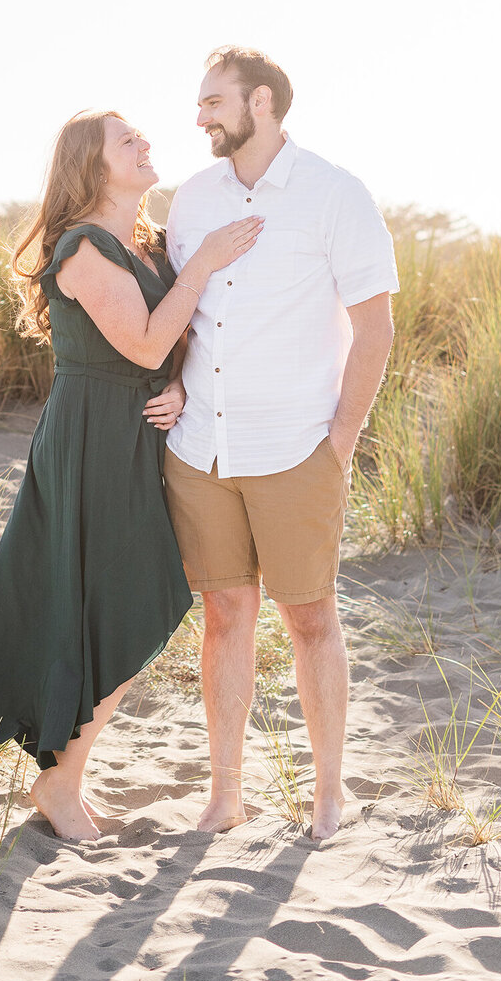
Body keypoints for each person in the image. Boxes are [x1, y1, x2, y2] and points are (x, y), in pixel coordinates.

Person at [0, 109, 262, 842]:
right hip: (93, 439)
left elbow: (173, 344)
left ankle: (61, 778)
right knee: (124, 602)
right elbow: (142, 343)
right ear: (92, 166)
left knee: (125, 601)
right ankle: (60, 783)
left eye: (141, 135)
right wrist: (203, 264)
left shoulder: (148, 242)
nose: (145, 144)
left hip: (140, 432)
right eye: (126, 140)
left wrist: (182, 388)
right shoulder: (82, 248)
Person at [164, 46, 398, 840]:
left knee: (311, 620)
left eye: (213, 101)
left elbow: (375, 328)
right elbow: (180, 313)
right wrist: (173, 386)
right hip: (202, 451)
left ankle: (328, 794)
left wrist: (341, 439)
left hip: (298, 448)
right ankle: (226, 795)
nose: (200, 116)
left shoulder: (335, 193)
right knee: (225, 615)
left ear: (260, 101)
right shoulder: (191, 200)